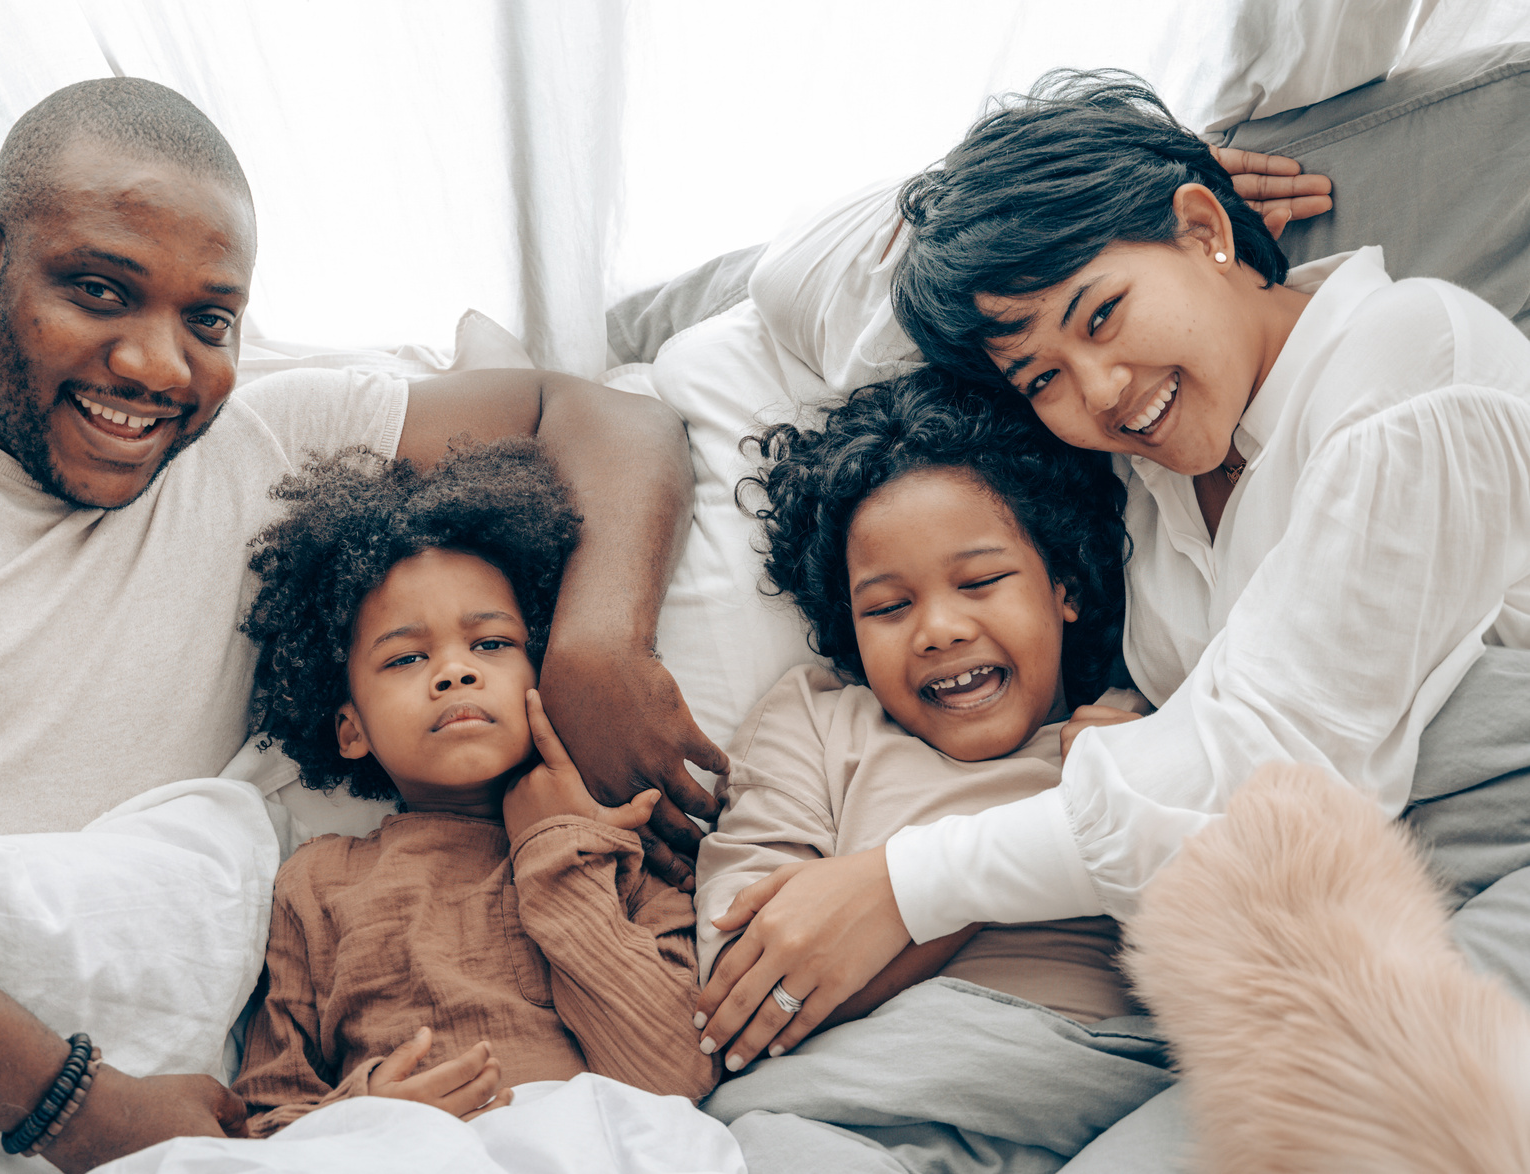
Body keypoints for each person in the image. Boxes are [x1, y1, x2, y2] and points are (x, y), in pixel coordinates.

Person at [0, 78, 723, 1171]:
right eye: (98, 289)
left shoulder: (262, 444)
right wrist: (77, 1107)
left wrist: (597, 646)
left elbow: (597, 413)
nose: (158, 365)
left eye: (209, 319)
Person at [694, 65, 1530, 1118]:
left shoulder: (1407, 361)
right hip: (1306, 927)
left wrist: (902, 885)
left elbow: (1269, 770)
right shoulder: (1150, 475)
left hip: (1482, 868)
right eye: (1041, 377)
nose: (1096, 394)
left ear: (1203, 232)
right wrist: (1050, 210)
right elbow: (811, 304)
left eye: (1102, 314)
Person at [691, 372, 1179, 1173]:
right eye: (886, 607)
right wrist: (1014, 860)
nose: (939, 630)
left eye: (981, 582)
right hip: (844, 1113)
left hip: (1097, 1093)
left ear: (1061, 583)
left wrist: (1124, 796)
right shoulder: (816, 720)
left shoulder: (1144, 726)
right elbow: (748, 988)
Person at [229, 438, 718, 1135]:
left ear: (542, 668)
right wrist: (369, 1109)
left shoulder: (621, 849)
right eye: (405, 657)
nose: (454, 672)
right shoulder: (316, 883)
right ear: (349, 729)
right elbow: (267, 1118)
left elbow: (675, 1075)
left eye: (490, 645)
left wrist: (556, 854)